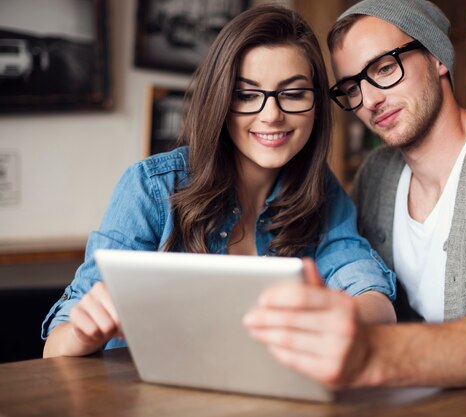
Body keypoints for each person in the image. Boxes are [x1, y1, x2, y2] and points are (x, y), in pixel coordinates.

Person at [243, 0, 466, 388]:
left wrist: (375, 352)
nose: (370, 100)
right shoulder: (375, 177)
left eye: (384, 68)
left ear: (436, 58)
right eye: (352, 87)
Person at [41, 5, 397, 358]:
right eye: (246, 95)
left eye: (292, 93)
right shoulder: (151, 188)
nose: (271, 115)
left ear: (317, 104)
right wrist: (84, 332)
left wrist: (350, 315)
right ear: (220, 100)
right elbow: (55, 350)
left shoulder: (321, 191)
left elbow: (368, 290)